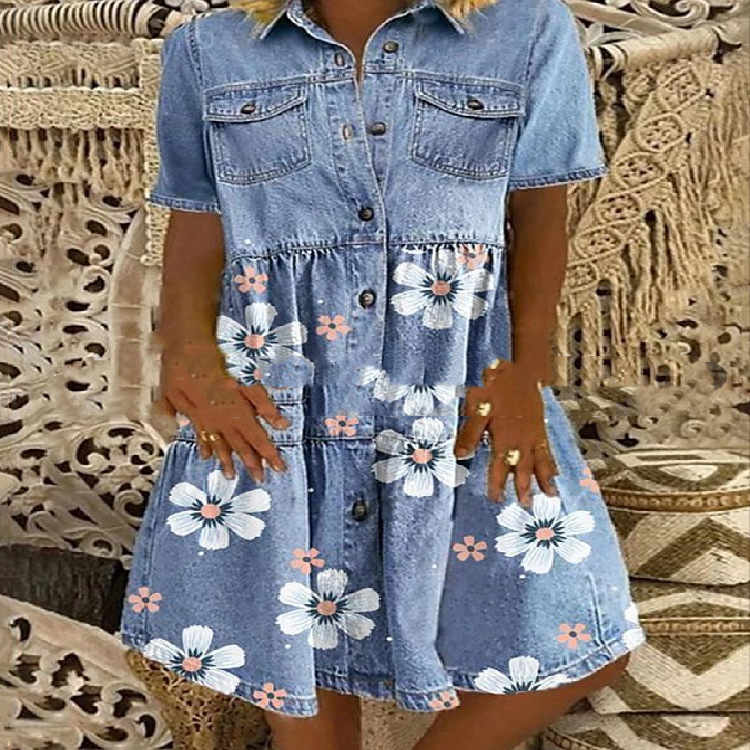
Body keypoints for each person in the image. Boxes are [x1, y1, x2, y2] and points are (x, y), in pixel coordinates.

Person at [121, 1, 647, 748]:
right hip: (281, 386)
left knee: (581, 627)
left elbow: (539, 215)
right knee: (301, 650)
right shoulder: (209, 49)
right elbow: (198, 217)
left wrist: (527, 373)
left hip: (458, 381)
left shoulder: (528, 29)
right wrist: (187, 355)